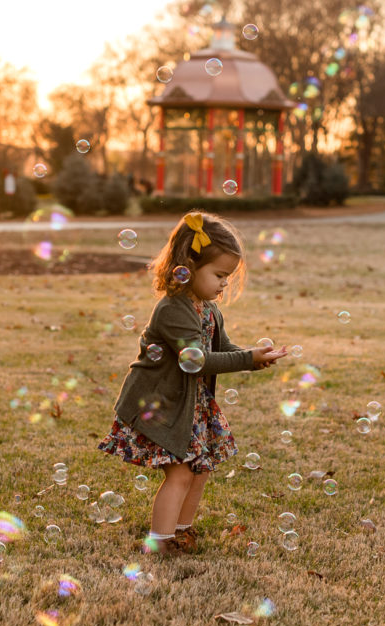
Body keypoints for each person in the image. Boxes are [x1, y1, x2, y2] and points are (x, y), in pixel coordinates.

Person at [97, 211, 287, 555]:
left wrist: (254, 356)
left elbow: (222, 349)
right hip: (162, 405)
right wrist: (247, 359)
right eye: (218, 274)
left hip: (191, 403)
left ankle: (181, 532)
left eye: (227, 276)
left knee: (200, 470)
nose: (224, 283)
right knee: (181, 474)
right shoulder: (172, 309)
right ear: (188, 266)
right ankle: (159, 541)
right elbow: (194, 361)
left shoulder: (209, 309)